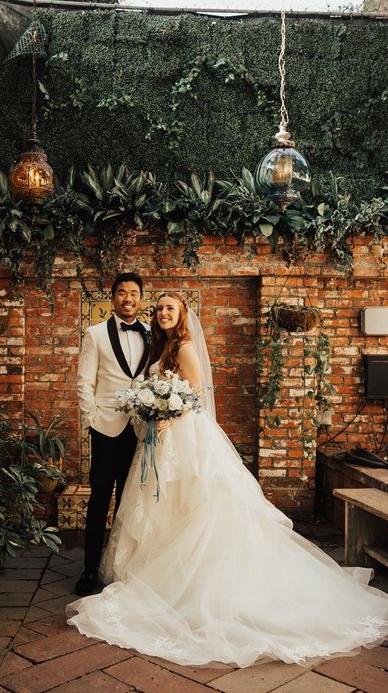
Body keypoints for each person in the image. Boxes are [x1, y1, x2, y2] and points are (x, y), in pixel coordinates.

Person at [67, 292, 388, 667]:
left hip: (185, 435)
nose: (163, 313)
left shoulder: (184, 346)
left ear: (183, 314)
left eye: (171, 308)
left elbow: (198, 392)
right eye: (160, 308)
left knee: (193, 503)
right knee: (160, 504)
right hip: (158, 434)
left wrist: (170, 411)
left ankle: (192, 581)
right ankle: (159, 573)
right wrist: (153, 408)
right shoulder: (160, 346)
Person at [74, 272, 150, 596]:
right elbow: (83, 382)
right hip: (105, 429)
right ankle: (90, 570)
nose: (128, 298)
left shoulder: (152, 333)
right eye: (122, 292)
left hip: (141, 430)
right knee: (100, 499)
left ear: (141, 298)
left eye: (134, 293)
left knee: (130, 501)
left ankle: (120, 568)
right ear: (113, 297)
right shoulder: (95, 334)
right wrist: (92, 418)